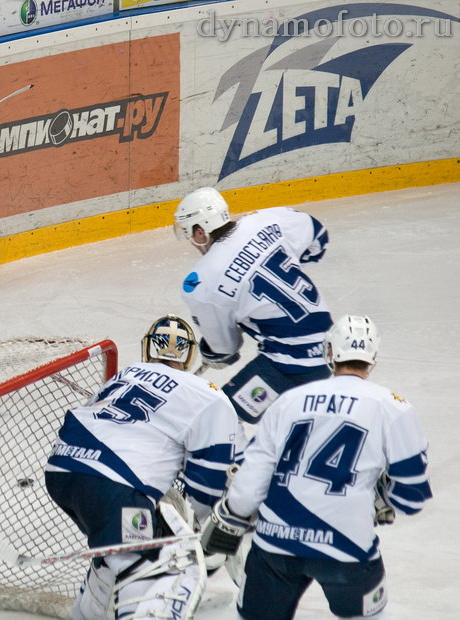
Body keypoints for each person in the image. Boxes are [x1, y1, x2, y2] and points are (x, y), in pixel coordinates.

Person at [201, 314, 433, 619]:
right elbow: (412, 496)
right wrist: (384, 498)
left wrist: (233, 515)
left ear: (329, 353)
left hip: (276, 542)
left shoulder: (288, 401)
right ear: (373, 357)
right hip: (347, 544)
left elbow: (250, 481)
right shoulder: (393, 407)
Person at [44, 315, 240, 619]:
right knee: (161, 563)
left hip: (62, 471)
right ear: (188, 354)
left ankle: (90, 612)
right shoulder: (209, 395)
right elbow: (211, 473)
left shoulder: (127, 375)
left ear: (148, 347)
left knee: (119, 551)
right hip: (114, 485)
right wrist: (202, 527)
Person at [174, 187, 333, 424]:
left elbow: (226, 349)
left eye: (190, 234)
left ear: (200, 232)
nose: (192, 242)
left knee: (220, 417)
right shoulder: (263, 220)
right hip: (332, 345)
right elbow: (318, 235)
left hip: (292, 362)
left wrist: (213, 350)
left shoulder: (201, 281)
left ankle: (231, 461)